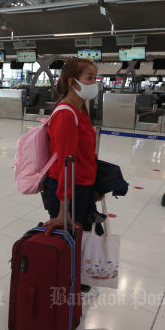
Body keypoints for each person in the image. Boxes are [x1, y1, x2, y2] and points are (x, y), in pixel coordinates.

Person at [41, 58, 102, 293]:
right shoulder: (66, 114)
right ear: (72, 82)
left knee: (79, 236)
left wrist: (94, 184)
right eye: (89, 78)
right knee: (68, 237)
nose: (94, 83)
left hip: (82, 185)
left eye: (95, 78)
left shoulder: (81, 109)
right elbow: (66, 164)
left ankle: (75, 277)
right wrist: (62, 210)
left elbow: (85, 154)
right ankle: (64, 283)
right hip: (66, 189)